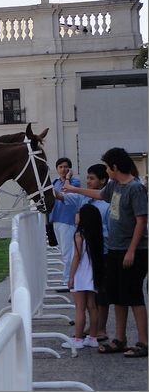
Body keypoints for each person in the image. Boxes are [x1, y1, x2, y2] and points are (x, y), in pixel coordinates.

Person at [63, 147, 147, 358]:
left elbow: (141, 221)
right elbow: (98, 194)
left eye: (108, 167)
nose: (107, 171)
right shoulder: (115, 186)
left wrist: (131, 251)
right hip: (115, 250)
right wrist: (74, 190)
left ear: (115, 167)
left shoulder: (135, 188)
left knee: (134, 296)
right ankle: (119, 339)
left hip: (133, 251)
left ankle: (143, 342)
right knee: (118, 296)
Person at [55, 163, 110, 341]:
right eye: (87, 178)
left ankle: (99, 329)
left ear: (103, 180)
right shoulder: (83, 198)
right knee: (90, 302)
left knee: (98, 298)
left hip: (101, 253)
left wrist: (70, 277)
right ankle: (92, 332)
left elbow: (109, 230)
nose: (88, 181)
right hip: (88, 255)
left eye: (92, 178)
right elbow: (62, 196)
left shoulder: (107, 203)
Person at [61, 203, 105, 350]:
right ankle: (93, 337)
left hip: (80, 274)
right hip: (93, 273)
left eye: (78, 213)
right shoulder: (96, 234)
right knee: (92, 306)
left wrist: (71, 276)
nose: (76, 216)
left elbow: (76, 257)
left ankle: (78, 339)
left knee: (79, 307)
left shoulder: (79, 234)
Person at [48, 157, 81, 289]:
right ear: (57, 169)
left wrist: (67, 178)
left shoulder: (75, 182)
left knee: (68, 252)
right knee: (64, 251)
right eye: (60, 167)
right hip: (56, 219)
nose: (63, 169)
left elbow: (66, 193)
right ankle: (68, 278)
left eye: (66, 167)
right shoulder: (54, 182)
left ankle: (67, 280)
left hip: (68, 220)